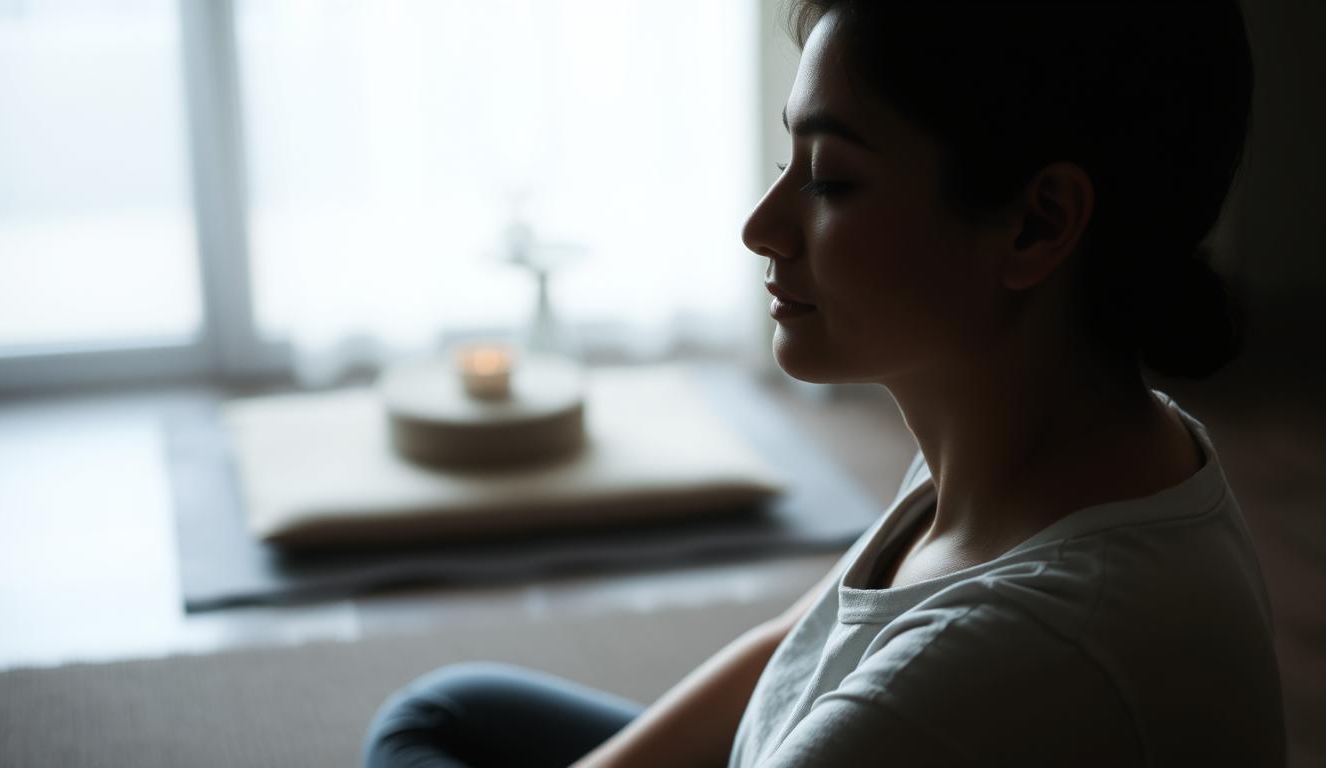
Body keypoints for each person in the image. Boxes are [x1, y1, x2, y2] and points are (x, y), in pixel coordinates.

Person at [362, 1, 1286, 765]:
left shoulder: (1011, 660)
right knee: (446, 712)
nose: (761, 227)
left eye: (833, 179)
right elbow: (794, 651)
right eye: (786, 164)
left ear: (1036, 225)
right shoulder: (1050, 437)